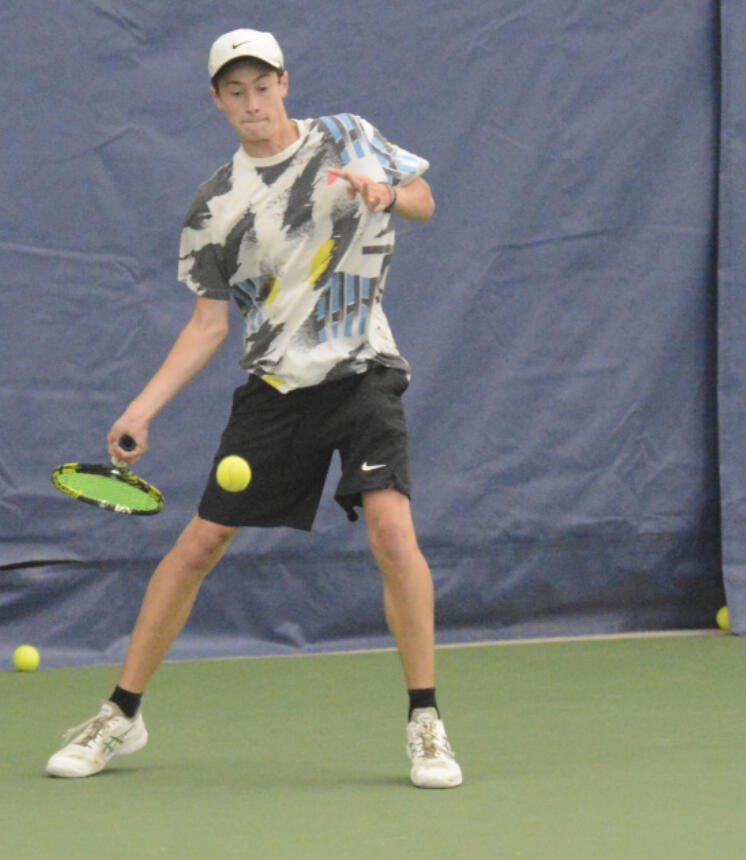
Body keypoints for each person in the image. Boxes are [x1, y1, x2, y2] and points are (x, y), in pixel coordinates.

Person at [46, 28, 462, 789]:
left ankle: (426, 721)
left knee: (391, 529)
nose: (252, 102)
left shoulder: (348, 136)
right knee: (200, 545)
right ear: (217, 101)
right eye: (234, 91)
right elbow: (209, 325)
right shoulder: (214, 209)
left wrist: (388, 195)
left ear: (284, 82)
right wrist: (142, 409)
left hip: (363, 368)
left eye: (261, 86)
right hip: (275, 388)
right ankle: (122, 713)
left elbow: (426, 202)